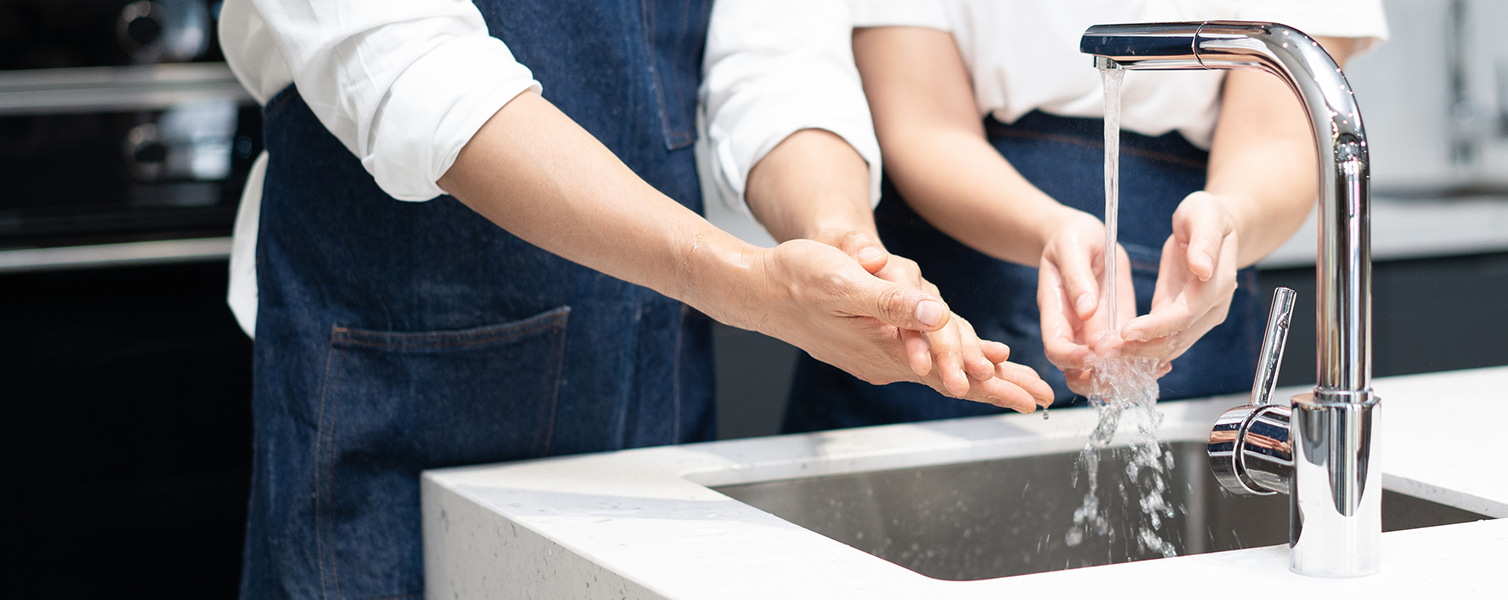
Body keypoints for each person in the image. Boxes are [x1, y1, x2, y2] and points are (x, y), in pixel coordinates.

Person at [217, 1, 1053, 598]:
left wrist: (845, 242)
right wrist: (730, 276)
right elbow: (405, 64)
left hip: (653, 378)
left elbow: (773, 61)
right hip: (397, 366)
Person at [699, 0, 1388, 432]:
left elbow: (1277, 134)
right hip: (945, 298)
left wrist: (1227, 218)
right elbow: (923, 126)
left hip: (1194, 290)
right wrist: (1046, 226)